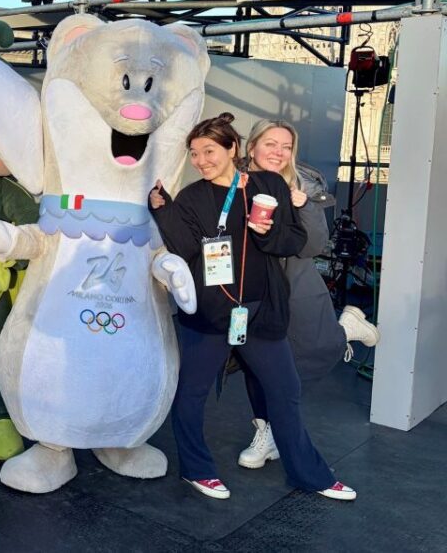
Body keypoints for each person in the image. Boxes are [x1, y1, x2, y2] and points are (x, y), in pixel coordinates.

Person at [148, 112, 355, 501]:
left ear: (232, 149)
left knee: (285, 391)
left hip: (260, 312)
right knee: (192, 392)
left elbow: (293, 241)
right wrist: (162, 210)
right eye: (194, 153)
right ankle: (196, 470)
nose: (201, 161)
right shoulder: (192, 197)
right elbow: (187, 249)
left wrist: (268, 232)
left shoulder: (268, 185)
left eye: (209, 151)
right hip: (211, 314)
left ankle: (312, 475)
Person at [236, 119, 380, 469]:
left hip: (294, 282)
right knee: (254, 363)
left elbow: (314, 246)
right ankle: (266, 430)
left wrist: (305, 206)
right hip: (248, 287)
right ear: (252, 146)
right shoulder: (233, 181)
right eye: (270, 144)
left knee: (309, 351)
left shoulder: (301, 187)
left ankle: (344, 330)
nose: (278, 152)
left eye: (286, 147)